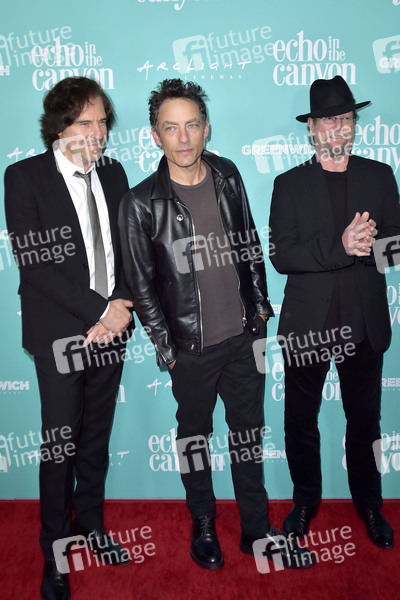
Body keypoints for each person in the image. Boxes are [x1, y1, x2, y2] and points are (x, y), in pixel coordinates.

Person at [119, 78, 314, 571]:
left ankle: (255, 529)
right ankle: (203, 522)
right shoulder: (140, 203)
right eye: (171, 128)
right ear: (155, 135)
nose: (183, 138)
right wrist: (168, 350)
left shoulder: (228, 174)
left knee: (248, 438)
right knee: (195, 440)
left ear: (206, 128)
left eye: (192, 125)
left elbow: (249, 245)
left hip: (245, 338)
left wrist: (261, 312)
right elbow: (141, 287)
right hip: (190, 350)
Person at [4, 77, 134, 600]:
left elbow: (129, 251)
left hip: (112, 331)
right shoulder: (24, 177)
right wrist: (101, 310)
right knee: (60, 445)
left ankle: (92, 525)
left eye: (102, 122)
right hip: (60, 335)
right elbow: (35, 266)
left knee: (96, 438)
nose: (97, 133)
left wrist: (118, 308)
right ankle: (55, 551)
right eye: (85, 122)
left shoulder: (115, 172)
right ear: (59, 126)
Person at [269, 75, 400, 550]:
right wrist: (341, 246)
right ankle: (305, 501)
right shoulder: (288, 184)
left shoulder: (379, 176)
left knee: (365, 423)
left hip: (364, 323)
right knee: (300, 423)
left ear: (354, 124)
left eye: (344, 118)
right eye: (326, 120)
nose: (336, 127)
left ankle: (370, 505)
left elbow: (395, 249)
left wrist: (371, 248)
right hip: (308, 325)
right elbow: (281, 255)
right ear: (311, 127)